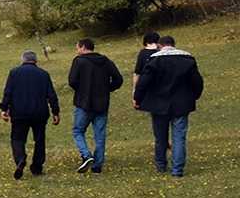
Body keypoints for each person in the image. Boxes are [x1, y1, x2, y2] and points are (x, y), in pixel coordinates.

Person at [134, 35, 204, 177]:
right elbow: (197, 82)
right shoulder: (187, 60)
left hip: (158, 104)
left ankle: (161, 165)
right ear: (174, 44)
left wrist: (137, 98)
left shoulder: (154, 61)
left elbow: (143, 82)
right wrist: (194, 96)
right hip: (181, 104)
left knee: (160, 137)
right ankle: (177, 170)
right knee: (179, 137)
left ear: (160, 45)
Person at [0, 50, 61, 180]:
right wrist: (55, 112)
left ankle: (20, 159)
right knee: (39, 140)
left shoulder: (14, 73)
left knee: (17, 138)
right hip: (40, 113)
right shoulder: (44, 74)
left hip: (19, 113)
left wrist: (4, 108)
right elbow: (51, 95)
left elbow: (8, 92)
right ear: (36, 60)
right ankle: (37, 167)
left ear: (22, 60)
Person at [68, 38, 123, 174]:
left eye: (77, 47)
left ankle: (86, 155)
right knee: (100, 135)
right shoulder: (105, 61)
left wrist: (81, 90)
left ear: (83, 47)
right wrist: (107, 89)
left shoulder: (79, 61)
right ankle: (97, 165)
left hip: (84, 103)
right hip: (102, 103)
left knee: (78, 131)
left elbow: (72, 81)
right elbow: (118, 79)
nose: (77, 50)